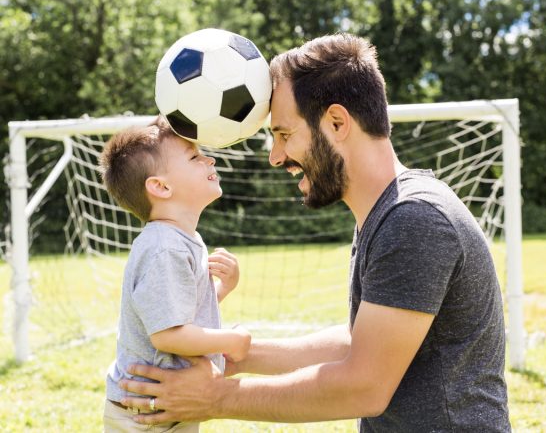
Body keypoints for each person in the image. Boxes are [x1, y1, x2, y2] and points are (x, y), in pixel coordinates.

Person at [118, 34, 511, 432]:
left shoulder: (415, 218)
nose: (275, 157)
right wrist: (240, 356)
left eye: (284, 135)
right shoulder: (388, 212)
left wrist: (218, 395)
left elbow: (364, 386)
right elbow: (362, 341)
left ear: (337, 123)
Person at [100, 117, 251, 432]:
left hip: (168, 405)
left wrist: (222, 289)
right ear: (160, 187)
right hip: (145, 414)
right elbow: (167, 334)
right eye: (194, 157)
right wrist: (230, 340)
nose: (209, 158)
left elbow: (176, 312)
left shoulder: (183, 238)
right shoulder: (164, 247)